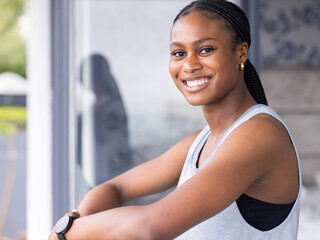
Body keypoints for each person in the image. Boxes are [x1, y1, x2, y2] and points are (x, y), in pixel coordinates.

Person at [49, 0, 301, 239]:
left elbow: (150, 228)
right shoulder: (199, 142)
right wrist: (81, 222)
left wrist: (66, 232)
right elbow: (117, 188)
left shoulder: (260, 134)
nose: (189, 65)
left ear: (241, 53)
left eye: (205, 50)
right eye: (178, 53)